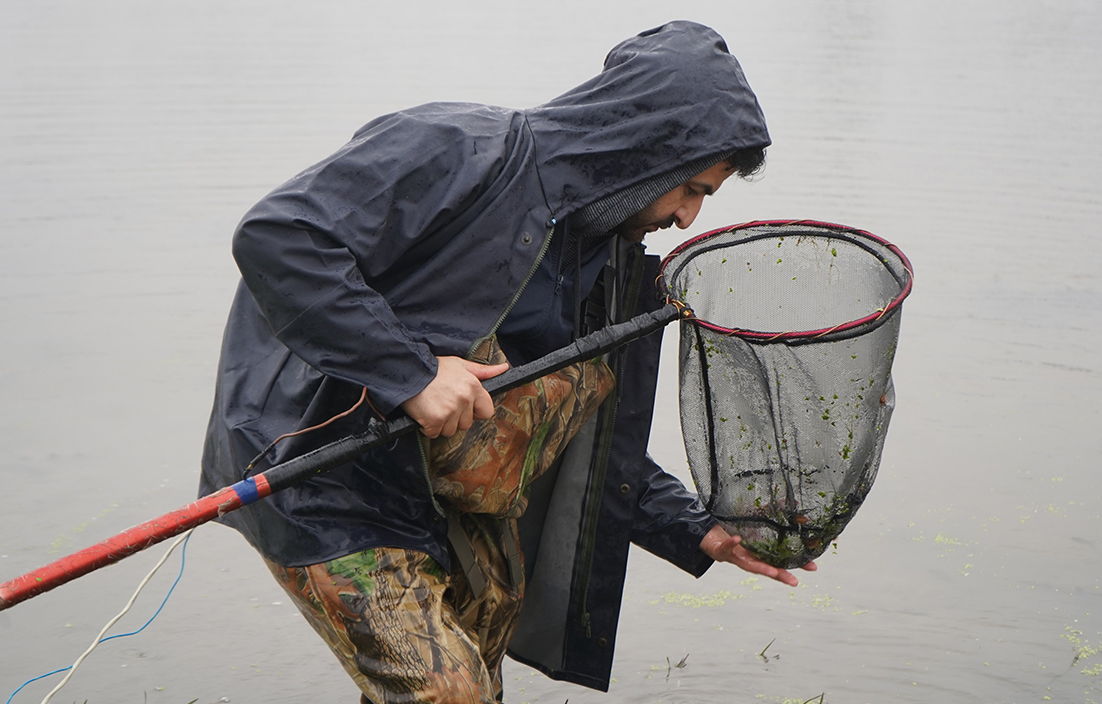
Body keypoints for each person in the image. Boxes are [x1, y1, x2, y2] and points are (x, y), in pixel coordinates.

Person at [199, 20, 813, 704]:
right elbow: (278, 238)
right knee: (447, 694)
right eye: (691, 189)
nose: (688, 218)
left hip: (449, 496)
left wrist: (694, 529)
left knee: (482, 674)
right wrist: (413, 374)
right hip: (324, 481)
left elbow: (577, 440)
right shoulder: (456, 147)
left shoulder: (599, 251)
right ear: (648, 153)